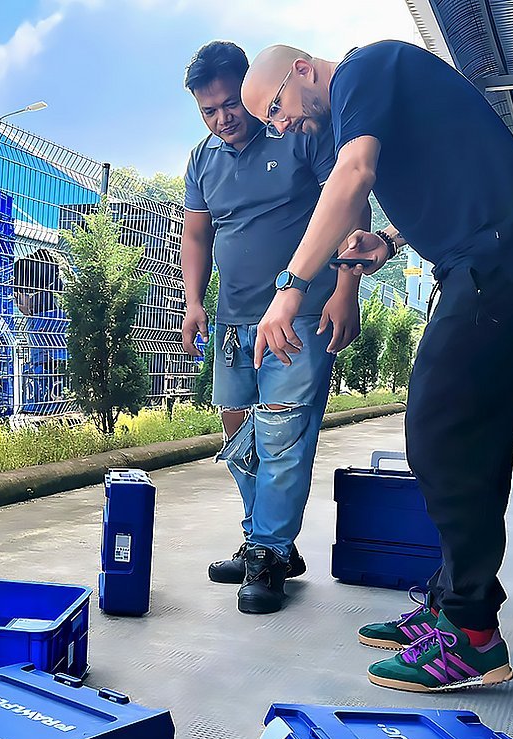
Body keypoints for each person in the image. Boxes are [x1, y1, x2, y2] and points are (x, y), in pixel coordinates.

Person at [241, 41, 513, 691]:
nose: (280, 126)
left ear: (304, 69)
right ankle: (454, 600)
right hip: (495, 252)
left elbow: (354, 173)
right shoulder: (374, 96)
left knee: (438, 430)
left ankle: (472, 632)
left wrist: (291, 286)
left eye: (275, 108)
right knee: (466, 437)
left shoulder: (365, 69)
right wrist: (388, 241)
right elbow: (446, 170)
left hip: (499, 254)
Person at [180, 41, 364, 615]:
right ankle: (264, 538)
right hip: (234, 323)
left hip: (300, 316)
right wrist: (192, 303)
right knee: (240, 440)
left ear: (253, 89)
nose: (222, 118)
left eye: (231, 103)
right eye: (208, 111)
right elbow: (195, 235)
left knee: (283, 436)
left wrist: (345, 289)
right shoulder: (202, 159)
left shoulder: (298, 131)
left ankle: (269, 550)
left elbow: (350, 202)